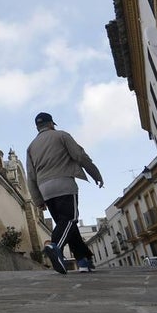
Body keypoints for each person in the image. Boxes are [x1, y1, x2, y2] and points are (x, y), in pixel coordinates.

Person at [26, 112, 104, 274]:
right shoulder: (61, 136)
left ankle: (83, 260)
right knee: (70, 219)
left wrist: (38, 199)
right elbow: (79, 156)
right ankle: (55, 246)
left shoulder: (31, 147)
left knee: (68, 226)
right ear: (51, 124)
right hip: (64, 184)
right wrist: (96, 175)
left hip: (45, 189)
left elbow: (30, 176)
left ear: (37, 127)